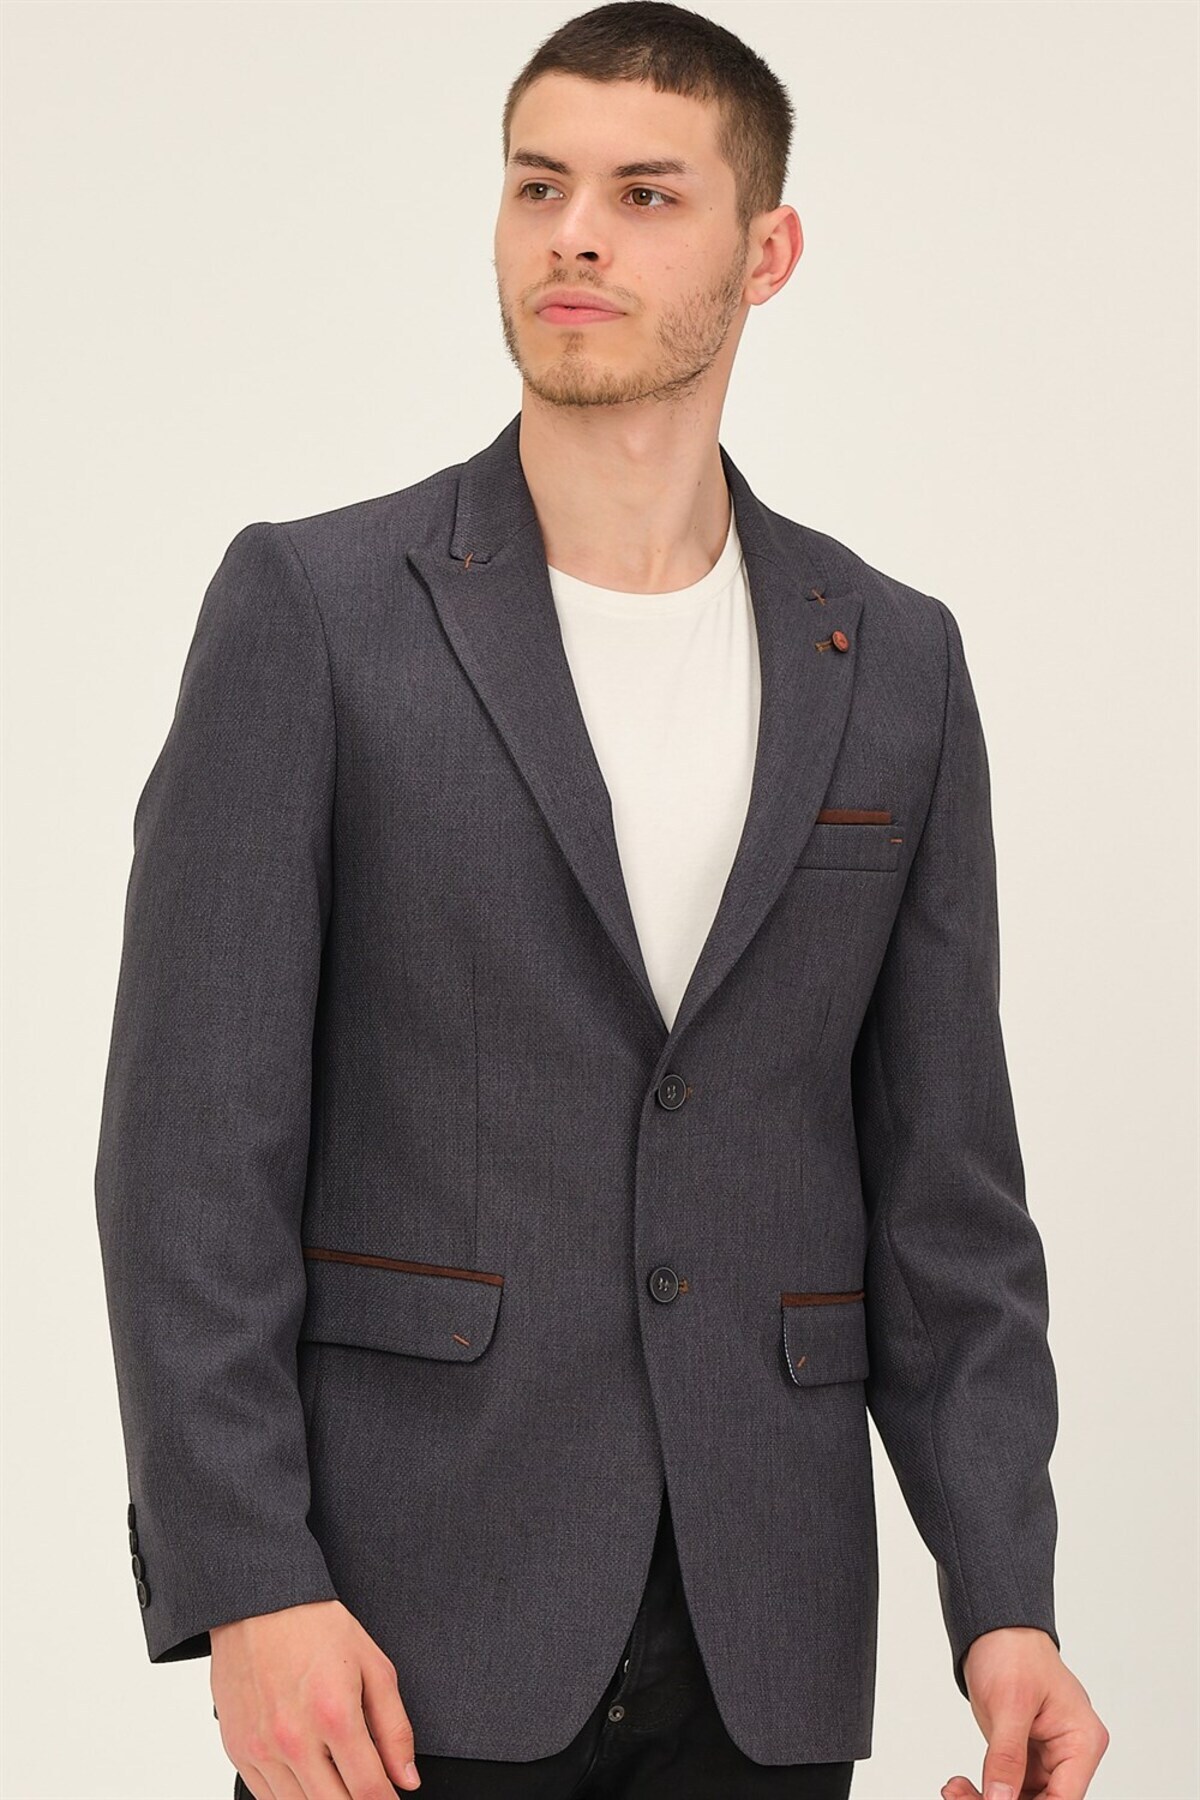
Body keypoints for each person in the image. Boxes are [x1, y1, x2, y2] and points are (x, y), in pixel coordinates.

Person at [94, 5, 1111, 1798]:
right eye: (538, 186)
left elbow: (946, 1198)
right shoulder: (317, 612)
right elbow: (190, 1158)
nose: (575, 234)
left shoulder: (893, 660)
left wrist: (1004, 1603)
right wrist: (248, 1581)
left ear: (766, 252)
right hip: (394, 1637)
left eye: (646, 194)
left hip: (767, 1631)